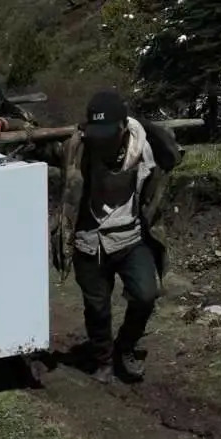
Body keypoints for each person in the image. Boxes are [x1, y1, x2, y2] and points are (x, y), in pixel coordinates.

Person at [53, 90, 181, 384]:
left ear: (124, 128)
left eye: (108, 135)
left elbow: (173, 155)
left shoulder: (144, 148)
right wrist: (1, 122)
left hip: (130, 236)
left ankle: (125, 346)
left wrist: (146, 125)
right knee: (97, 308)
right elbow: (34, 141)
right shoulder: (77, 148)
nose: (102, 142)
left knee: (146, 295)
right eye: (97, 135)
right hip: (89, 240)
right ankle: (103, 358)